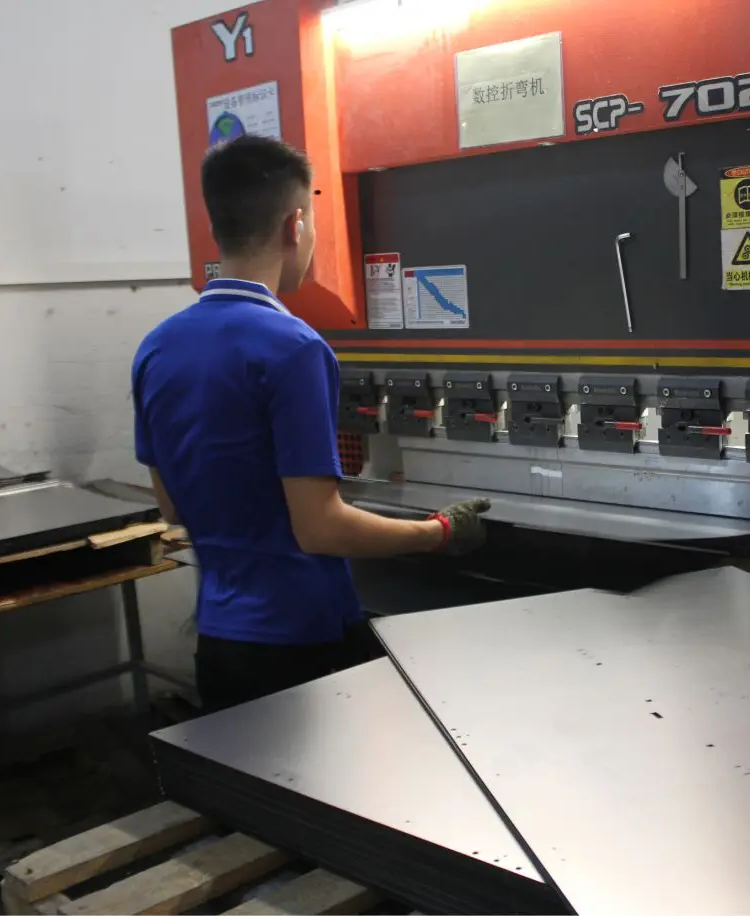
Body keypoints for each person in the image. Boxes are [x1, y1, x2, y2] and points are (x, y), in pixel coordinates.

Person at [132, 135, 491, 713]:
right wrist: (439, 532)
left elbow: (173, 506)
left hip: (219, 642)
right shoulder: (292, 347)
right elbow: (321, 529)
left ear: (216, 225)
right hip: (300, 644)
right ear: (295, 225)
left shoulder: (157, 347)